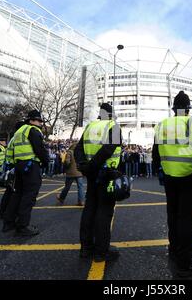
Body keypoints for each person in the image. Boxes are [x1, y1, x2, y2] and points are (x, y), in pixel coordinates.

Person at [152, 91, 192, 278]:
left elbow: (156, 154)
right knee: (187, 221)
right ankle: (185, 263)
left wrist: (161, 172)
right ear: (188, 108)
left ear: (174, 108)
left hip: (170, 180)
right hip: (190, 179)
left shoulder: (162, 125)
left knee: (173, 217)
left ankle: (174, 251)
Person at [74, 102, 122, 262]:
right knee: (104, 211)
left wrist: (84, 166)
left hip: (91, 174)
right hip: (106, 174)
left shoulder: (90, 127)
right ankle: (101, 252)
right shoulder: (113, 126)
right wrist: (93, 166)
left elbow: (78, 149)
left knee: (90, 209)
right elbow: (108, 149)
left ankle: (85, 249)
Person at [2, 111, 49, 236]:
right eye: (39, 121)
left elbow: (11, 151)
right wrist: (45, 162)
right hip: (31, 166)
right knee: (29, 196)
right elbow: (40, 149)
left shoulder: (19, 131)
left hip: (19, 166)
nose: (40, 123)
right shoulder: (33, 130)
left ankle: (9, 222)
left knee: (17, 194)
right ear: (32, 120)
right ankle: (23, 226)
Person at [0, 121, 24, 219]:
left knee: (9, 192)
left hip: (9, 167)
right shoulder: (17, 139)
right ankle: (7, 213)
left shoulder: (13, 139)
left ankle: (3, 211)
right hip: (14, 168)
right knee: (12, 192)